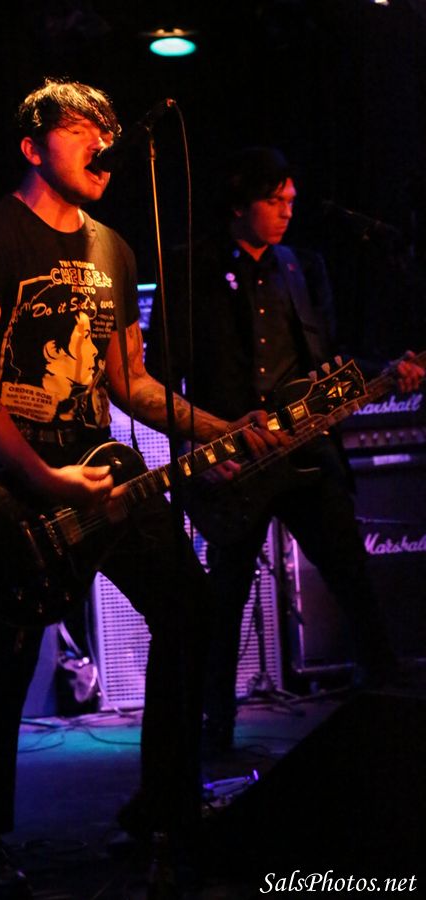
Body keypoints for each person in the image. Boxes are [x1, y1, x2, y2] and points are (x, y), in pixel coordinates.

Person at [0, 81, 280, 895]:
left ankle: (164, 808)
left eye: (109, 127)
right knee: (8, 653)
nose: (104, 140)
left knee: (189, 610)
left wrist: (218, 430)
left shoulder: (115, 251)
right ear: (33, 146)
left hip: (103, 470)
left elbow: (130, 380)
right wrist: (45, 476)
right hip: (14, 486)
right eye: (83, 127)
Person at [146, 146, 424, 750]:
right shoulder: (190, 269)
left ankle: (386, 702)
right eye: (274, 201)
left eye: (290, 200)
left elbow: (329, 362)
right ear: (240, 203)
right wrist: (199, 447)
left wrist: (388, 370)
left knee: (352, 575)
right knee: (223, 601)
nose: (286, 211)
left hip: (307, 454)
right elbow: (159, 377)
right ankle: (213, 728)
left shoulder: (302, 267)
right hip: (233, 460)